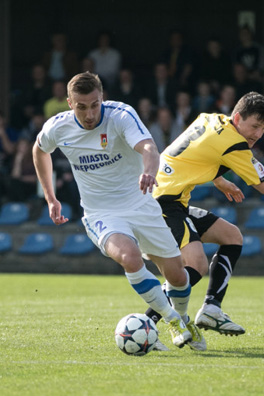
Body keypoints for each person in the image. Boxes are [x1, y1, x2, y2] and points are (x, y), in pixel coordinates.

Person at [32, 71, 198, 350]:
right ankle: (172, 321)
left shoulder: (121, 115)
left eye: (95, 104)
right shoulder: (57, 127)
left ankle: (182, 317)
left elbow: (148, 146)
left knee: (178, 276)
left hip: (141, 203)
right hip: (101, 213)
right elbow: (39, 151)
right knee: (129, 257)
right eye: (82, 106)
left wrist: (148, 171)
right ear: (70, 103)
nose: (89, 113)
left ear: (102, 98)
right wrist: (51, 197)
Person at [144, 92, 264, 347]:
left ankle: (211, 308)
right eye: (255, 125)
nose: (258, 134)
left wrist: (219, 179)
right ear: (238, 118)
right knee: (197, 265)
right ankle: (147, 324)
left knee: (231, 236)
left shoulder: (212, 119)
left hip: (169, 198)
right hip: (164, 203)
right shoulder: (235, 145)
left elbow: (192, 151)